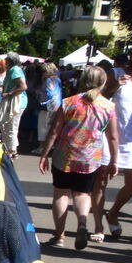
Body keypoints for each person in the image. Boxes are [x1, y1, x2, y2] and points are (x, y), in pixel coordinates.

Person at [38, 65, 119, 249]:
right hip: (90, 158)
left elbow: (54, 131)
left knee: (61, 194)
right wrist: (115, 160)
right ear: (103, 82)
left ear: (83, 80)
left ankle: (59, 236)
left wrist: (44, 154)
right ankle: (82, 223)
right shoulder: (108, 106)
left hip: (64, 155)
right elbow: (112, 137)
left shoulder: (68, 102)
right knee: (83, 194)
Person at [105, 45, 132, 239]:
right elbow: (99, 97)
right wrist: (115, 85)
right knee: (100, 181)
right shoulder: (117, 73)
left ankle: (113, 213)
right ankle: (93, 225)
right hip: (113, 135)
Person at [0, 52, 27, 159]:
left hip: (16, 102)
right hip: (14, 101)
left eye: (6, 59)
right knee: (10, 125)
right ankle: (12, 149)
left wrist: (8, 93)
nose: (5, 61)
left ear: (10, 61)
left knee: (10, 125)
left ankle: (11, 151)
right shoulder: (13, 69)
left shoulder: (15, 69)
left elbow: (23, 86)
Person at [36, 62, 62, 143]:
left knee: (43, 127)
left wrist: (39, 92)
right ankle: (48, 146)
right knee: (51, 127)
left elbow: (49, 93)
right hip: (57, 105)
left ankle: (41, 146)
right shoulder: (58, 79)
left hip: (47, 105)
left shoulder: (48, 80)